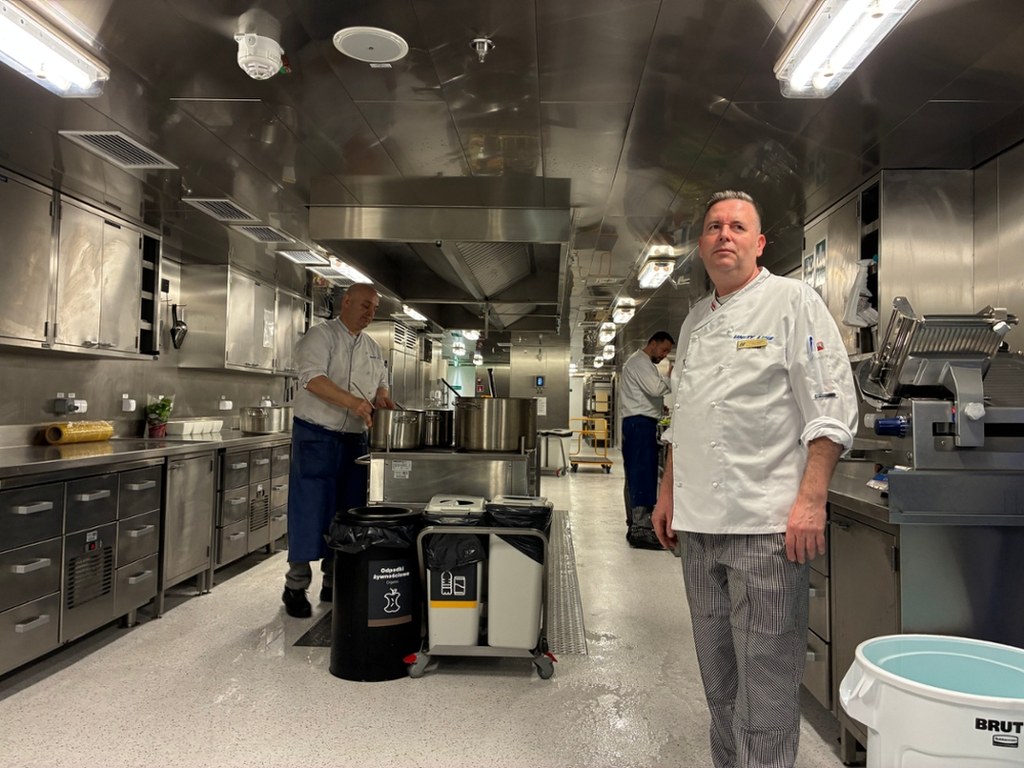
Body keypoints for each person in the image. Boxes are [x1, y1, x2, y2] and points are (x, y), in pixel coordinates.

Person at [652, 191, 858, 768]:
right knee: (719, 680)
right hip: (698, 529)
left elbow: (830, 406)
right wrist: (667, 493)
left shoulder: (794, 302)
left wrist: (811, 501)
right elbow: (683, 418)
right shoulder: (694, 321)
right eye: (714, 226)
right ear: (701, 245)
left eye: (738, 227)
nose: (725, 235)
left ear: (759, 243)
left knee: (765, 686)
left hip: (766, 528)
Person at [282, 283, 396, 618]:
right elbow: (312, 379)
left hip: (354, 440)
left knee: (346, 513)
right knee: (309, 509)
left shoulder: (372, 346)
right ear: (346, 301)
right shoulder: (321, 336)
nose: (369, 313)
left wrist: (382, 397)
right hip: (317, 436)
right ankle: (295, 586)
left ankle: (333, 581)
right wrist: (353, 402)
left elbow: (381, 382)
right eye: (364, 305)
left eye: (374, 308)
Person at [618, 331, 675, 549]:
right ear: (652, 343)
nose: (664, 354)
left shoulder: (642, 364)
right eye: (664, 349)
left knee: (635, 474)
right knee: (642, 474)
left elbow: (649, 393)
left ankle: (635, 524)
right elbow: (657, 388)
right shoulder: (640, 362)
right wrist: (670, 375)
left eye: (668, 352)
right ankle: (641, 529)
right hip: (640, 424)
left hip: (638, 423)